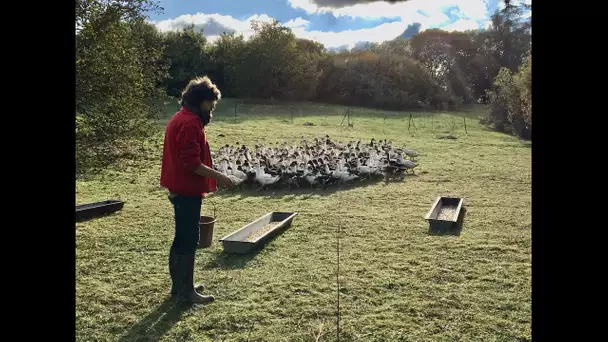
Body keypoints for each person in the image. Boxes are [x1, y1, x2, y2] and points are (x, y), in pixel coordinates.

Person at [160, 76, 234, 305]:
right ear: (200, 101)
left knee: (182, 238)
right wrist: (221, 177)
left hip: (180, 187)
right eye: (210, 104)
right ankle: (186, 293)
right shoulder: (190, 122)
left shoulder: (181, 116)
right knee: (188, 239)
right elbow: (192, 163)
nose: (212, 109)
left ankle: (181, 286)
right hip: (186, 189)